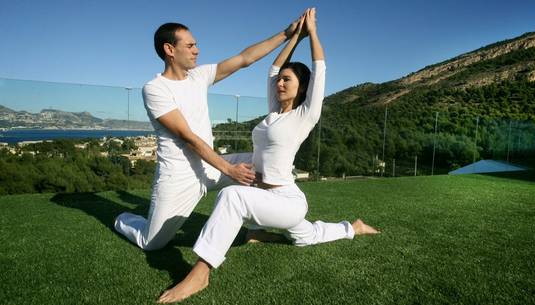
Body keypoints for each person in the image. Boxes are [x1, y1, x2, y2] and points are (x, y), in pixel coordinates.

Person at [157, 8, 379, 303]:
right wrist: (293, 38)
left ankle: (200, 273)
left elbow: (320, 68)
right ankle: (353, 227)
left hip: (286, 200)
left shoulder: (306, 115)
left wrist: (312, 33)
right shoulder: (273, 113)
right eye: (280, 81)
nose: (280, 84)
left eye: (288, 81)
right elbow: (274, 68)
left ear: (302, 88)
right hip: (266, 197)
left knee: (232, 197)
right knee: (304, 237)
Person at [113, 15, 305, 251]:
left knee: (262, 166)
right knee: (151, 243)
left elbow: (245, 58)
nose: (197, 50)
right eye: (190, 45)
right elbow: (188, 137)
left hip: (211, 166)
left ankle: (256, 231)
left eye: (196, 45)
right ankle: (123, 219)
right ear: (169, 49)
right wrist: (229, 169)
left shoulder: (198, 76)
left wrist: (287, 34)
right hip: (179, 176)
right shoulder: (154, 89)